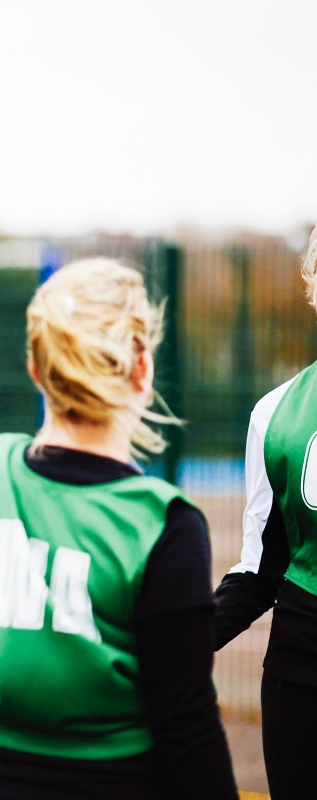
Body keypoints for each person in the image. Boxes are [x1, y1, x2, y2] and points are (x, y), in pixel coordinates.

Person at [0, 258, 238, 800]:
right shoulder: (162, 519)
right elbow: (186, 722)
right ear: (142, 369)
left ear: (35, 367)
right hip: (119, 780)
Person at [212, 228, 317, 800]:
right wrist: (167, 644)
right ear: (311, 284)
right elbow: (259, 569)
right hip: (300, 681)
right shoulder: (276, 414)